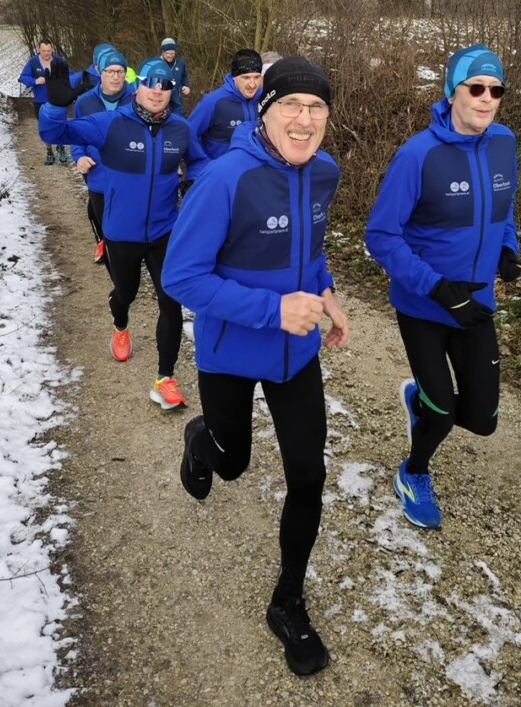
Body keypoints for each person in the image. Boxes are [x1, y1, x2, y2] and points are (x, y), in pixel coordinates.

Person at [162, 56, 349, 677]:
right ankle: (201, 439)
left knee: (308, 475)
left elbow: (309, 253)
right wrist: (274, 310)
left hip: (297, 357)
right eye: (290, 105)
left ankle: (287, 602)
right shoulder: (225, 179)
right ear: (263, 112)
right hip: (232, 353)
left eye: (316, 108)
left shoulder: (324, 171)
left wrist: (326, 294)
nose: (304, 119)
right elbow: (181, 276)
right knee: (234, 462)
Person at [365, 43, 520, 530]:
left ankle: (420, 402)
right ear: (453, 92)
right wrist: (435, 288)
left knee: (482, 419)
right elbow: (381, 235)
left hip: (475, 302)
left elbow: (505, 206)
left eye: (496, 90)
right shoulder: (419, 155)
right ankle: (413, 472)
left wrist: (509, 248)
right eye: (476, 88)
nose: (487, 98)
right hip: (424, 304)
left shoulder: (504, 142)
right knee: (443, 413)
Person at [38, 57, 208, 409]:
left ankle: (164, 379)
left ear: (171, 90)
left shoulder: (180, 128)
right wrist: (54, 106)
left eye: (165, 85)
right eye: (151, 83)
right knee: (125, 293)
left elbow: (199, 161)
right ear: (137, 85)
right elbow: (54, 134)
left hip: (165, 230)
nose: (158, 91)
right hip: (121, 232)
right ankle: (119, 320)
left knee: (170, 301)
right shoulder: (110, 123)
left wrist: (193, 182)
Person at [70, 48, 134, 268]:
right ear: (100, 73)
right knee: (106, 229)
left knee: (128, 228)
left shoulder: (137, 98)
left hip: (130, 176)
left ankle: (125, 264)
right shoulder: (84, 102)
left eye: (120, 71)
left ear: (125, 73)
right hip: (98, 176)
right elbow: (77, 136)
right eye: (110, 71)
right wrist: (79, 157)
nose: (115, 76)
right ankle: (113, 264)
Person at [187, 48, 263, 158]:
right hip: (220, 167)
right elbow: (187, 135)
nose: (252, 84)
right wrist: (201, 163)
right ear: (234, 77)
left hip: (256, 168)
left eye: (256, 77)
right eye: (246, 77)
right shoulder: (213, 101)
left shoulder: (266, 99)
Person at [18, 39, 80, 165]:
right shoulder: (33, 62)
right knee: (45, 127)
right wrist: (35, 81)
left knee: (60, 124)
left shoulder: (59, 61)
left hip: (59, 100)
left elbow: (71, 75)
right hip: (41, 100)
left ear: (52, 49)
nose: (46, 53)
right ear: (39, 50)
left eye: (48, 51)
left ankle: (60, 147)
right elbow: (23, 77)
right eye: (43, 51)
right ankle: (49, 151)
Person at [159, 37, 191, 115]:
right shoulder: (156, 64)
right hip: (161, 101)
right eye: (168, 53)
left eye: (172, 53)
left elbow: (184, 76)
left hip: (177, 103)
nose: (170, 56)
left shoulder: (180, 63)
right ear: (162, 52)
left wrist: (186, 86)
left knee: (177, 119)